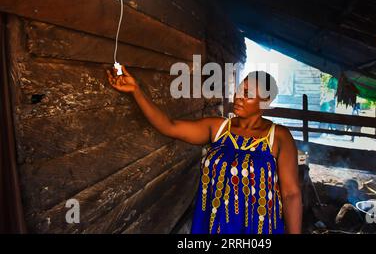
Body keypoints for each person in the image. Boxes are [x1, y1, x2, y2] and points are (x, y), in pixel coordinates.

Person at [107, 67, 302, 234]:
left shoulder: (278, 137)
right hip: (214, 226)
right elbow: (169, 126)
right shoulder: (218, 128)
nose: (238, 97)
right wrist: (136, 91)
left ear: (265, 101)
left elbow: (291, 193)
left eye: (248, 94)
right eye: (239, 90)